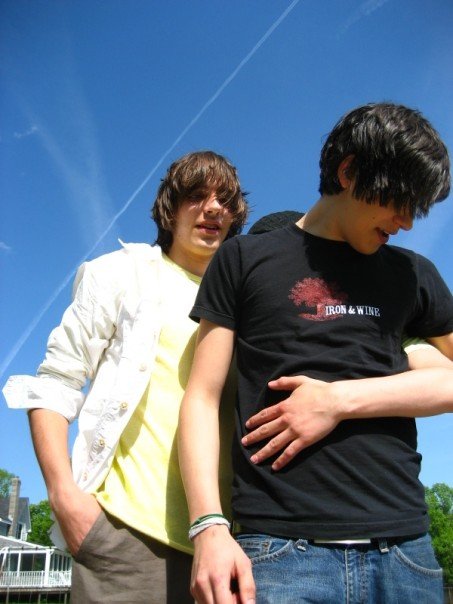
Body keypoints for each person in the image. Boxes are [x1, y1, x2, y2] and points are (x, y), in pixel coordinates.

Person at [178, 103, 453, 604]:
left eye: (417, 208)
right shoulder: (243, 258)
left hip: (406, 554)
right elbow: (201, 396)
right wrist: (209, 527)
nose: (407, 222)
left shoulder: (414, 273)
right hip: (278, 553)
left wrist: (337, 401)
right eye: (400, 200)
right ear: (349, 172)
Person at [2, 151, 248, 604]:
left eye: (225, 200)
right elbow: (55, 382)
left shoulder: (248, 300)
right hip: (125, 537)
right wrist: (65, 498)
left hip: (231, 546)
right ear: (170, 208)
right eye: (197, 195)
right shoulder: (123, 275)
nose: (213, 207)